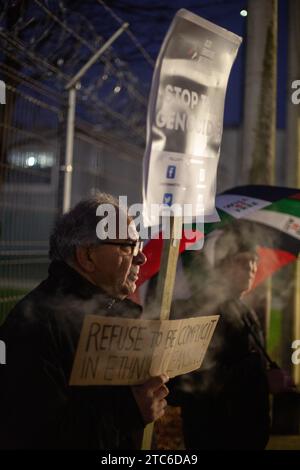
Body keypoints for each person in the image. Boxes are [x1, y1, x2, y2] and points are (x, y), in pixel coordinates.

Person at [0, 193, 169, 449]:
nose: (141, 258)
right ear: (87, 256)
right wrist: (129, 412)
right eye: (127, 246)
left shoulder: (120, 314)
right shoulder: (34, 327)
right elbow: (36, 435)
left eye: (139, 245)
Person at [169, 222, 271, 450]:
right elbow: (195, 379)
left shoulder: (245, 309)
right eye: (241, 261)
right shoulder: (205, 309)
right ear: (221, 266)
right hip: (216, 434)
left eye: (253, 260)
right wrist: (261, 377)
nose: (251, 267)